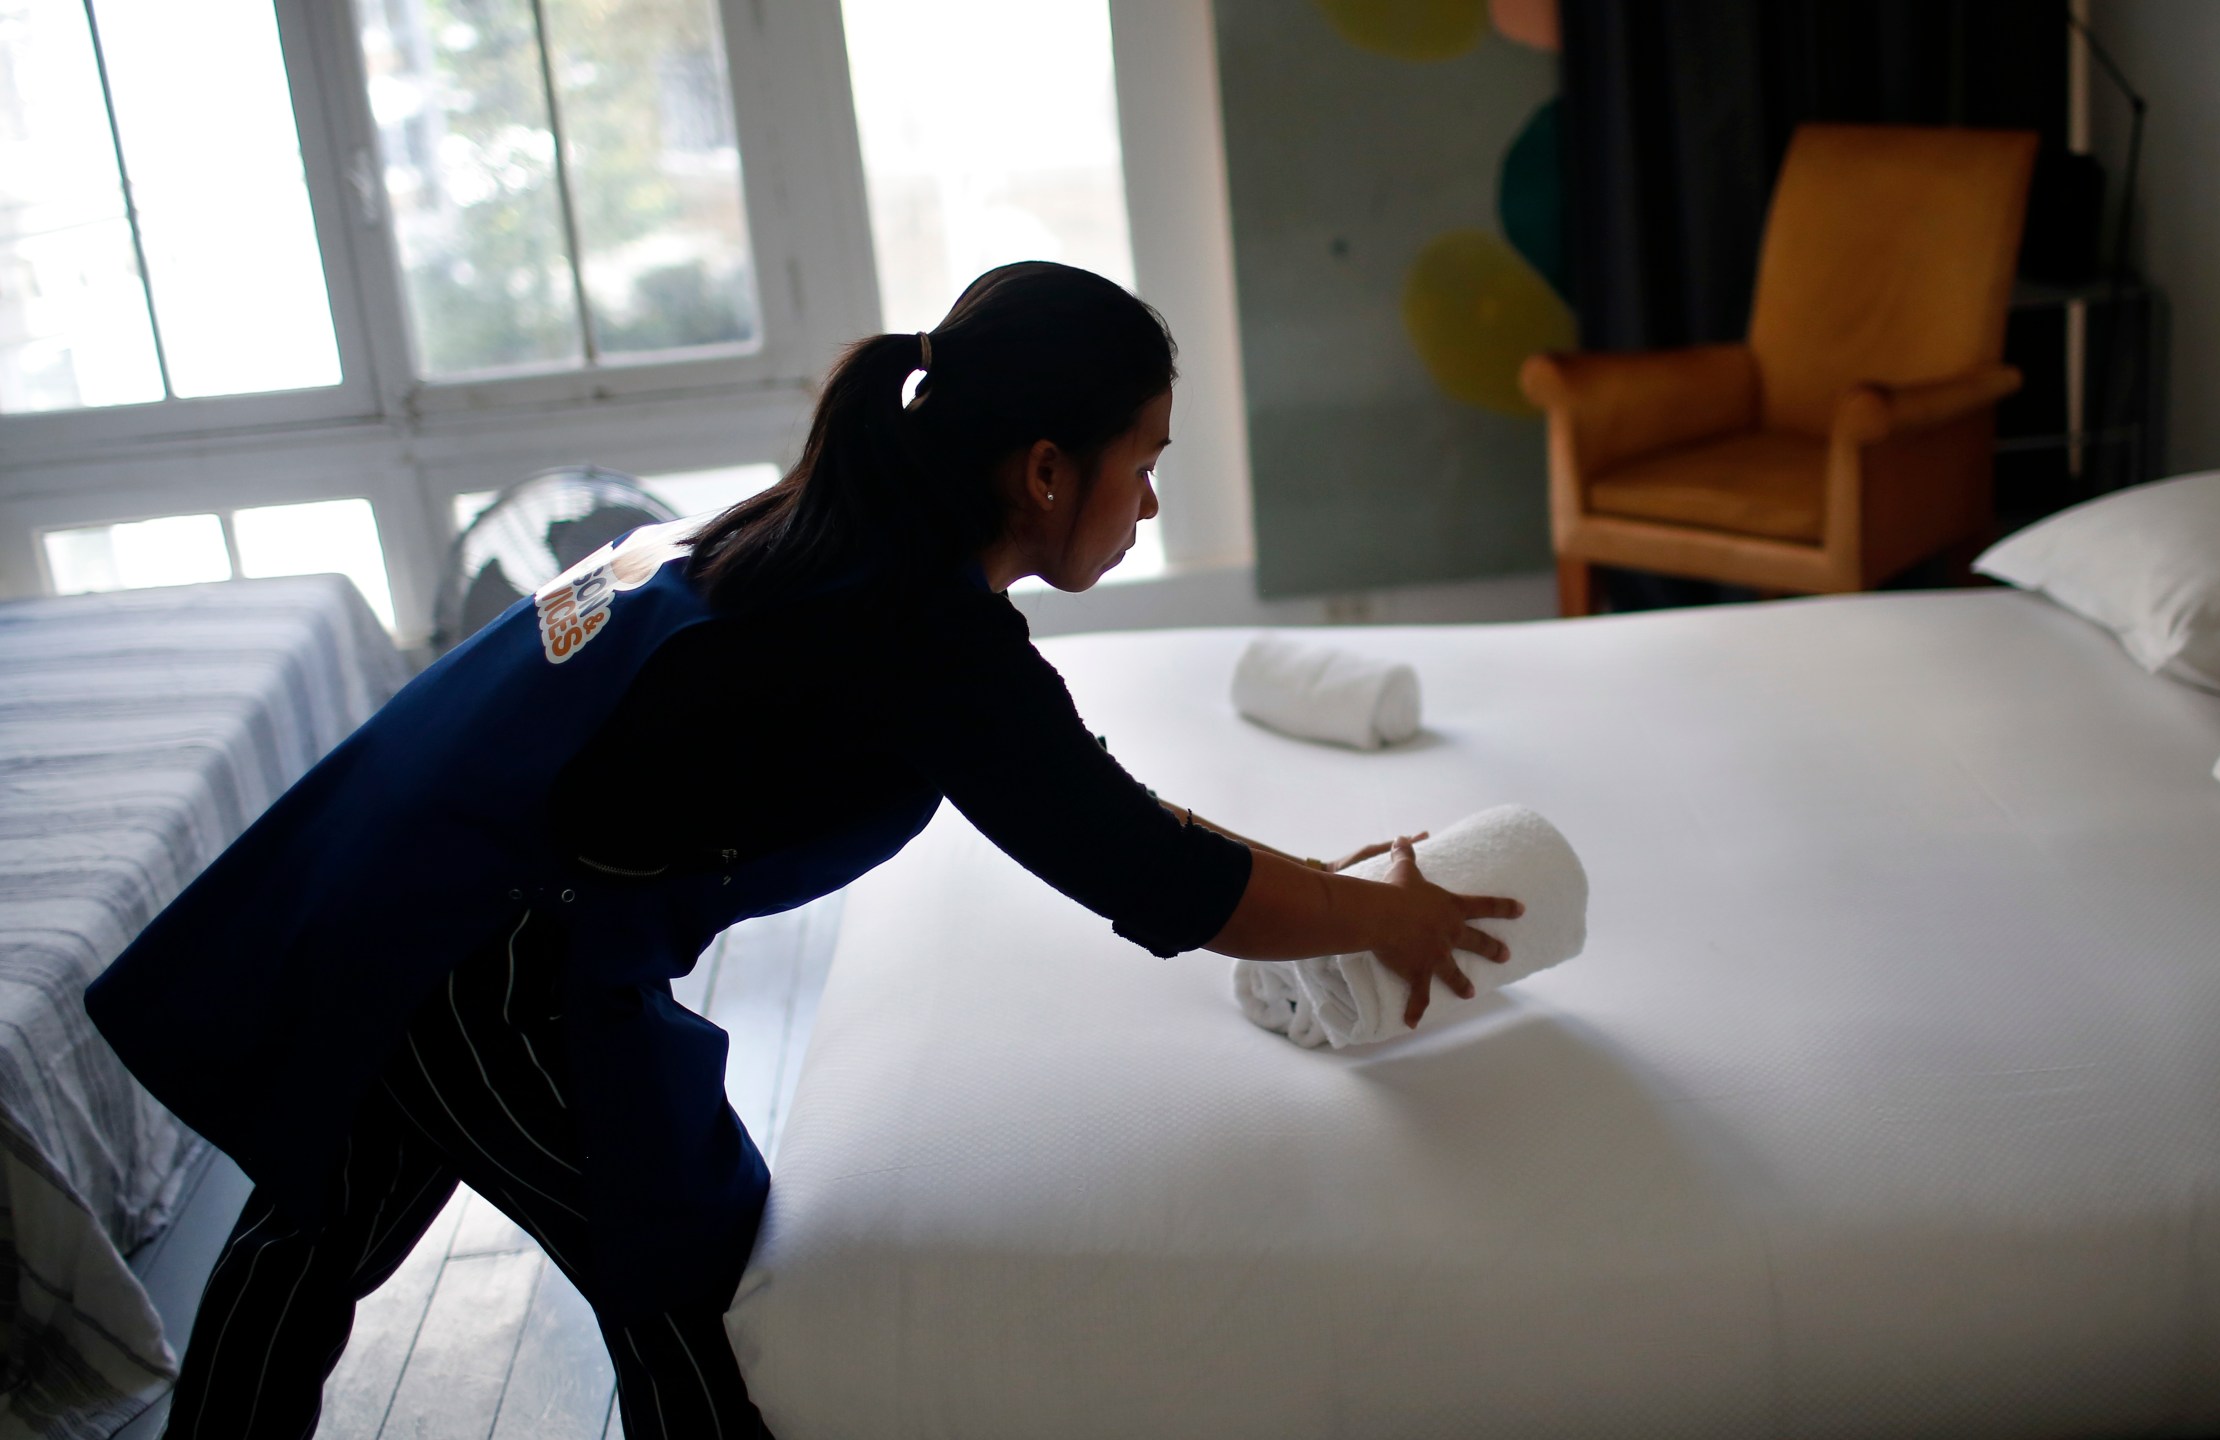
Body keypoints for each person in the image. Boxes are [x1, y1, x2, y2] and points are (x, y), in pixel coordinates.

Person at [87, 261, 1521, 1440]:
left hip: (426, 869)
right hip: (492, 945)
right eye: (1141, 467)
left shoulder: (854, 537)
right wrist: (1382, 922)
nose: (1146, 504)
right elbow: (1142, 873)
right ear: (1042, 469)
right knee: (696, 1285)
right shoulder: (921, 633)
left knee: (317, 1226)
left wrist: (1337, 889)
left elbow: (1100, 807)